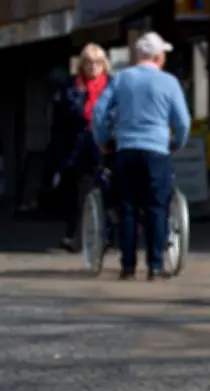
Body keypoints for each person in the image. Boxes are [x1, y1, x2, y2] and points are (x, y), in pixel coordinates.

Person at [92, 32, 191, 281]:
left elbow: (99, 112)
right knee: (156, 207)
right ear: (158, 57)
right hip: (157, 150)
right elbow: (183, 121)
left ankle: (127, 266)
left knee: (127, 208)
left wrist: (103, 140)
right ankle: (155, 265)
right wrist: (176, 142)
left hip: (126, 149)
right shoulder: (169, 82)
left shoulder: (122, 79)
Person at [49, 43, 111, 252]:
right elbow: (61, 122)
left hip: (105, 148)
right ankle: (77, 236)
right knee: (79, 192)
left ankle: (106, 236)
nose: (93, 67)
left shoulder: (111, 87)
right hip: (77, 149)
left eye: (98, 62)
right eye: (88, 62)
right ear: (81, 65)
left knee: (106, 191)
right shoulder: (71, 87)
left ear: (104, 65)